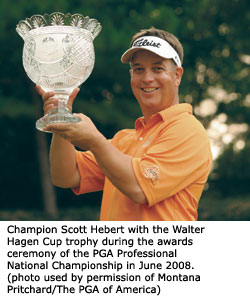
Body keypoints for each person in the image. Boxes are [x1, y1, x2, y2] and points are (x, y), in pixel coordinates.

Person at [37, 27, 212, 221]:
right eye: (138, 69)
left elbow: (139, 188)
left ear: (177, 75)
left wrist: (95, 141)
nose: (147, 78)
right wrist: (62, 121)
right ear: (131, 75)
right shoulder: (124, 139)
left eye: (157, 68)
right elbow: (66, 176)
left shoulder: (188, 130)